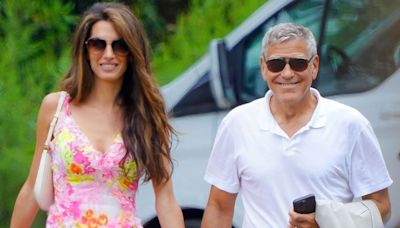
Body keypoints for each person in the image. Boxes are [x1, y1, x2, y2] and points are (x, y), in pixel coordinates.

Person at [201, 22, 392, 228]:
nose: (287, 73)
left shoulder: (351, 124)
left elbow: (382, 207)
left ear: (314, 66)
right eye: (276, 64)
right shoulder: (236, 123)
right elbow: (219, 207)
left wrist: (327, 221)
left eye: (298, 63)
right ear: (264, 67)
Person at [10, 2, 184, 227]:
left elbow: (166, 200)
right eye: (98, 44)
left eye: (119, 45)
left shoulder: (146, 114)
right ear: (85, 50)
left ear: (131, 52)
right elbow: (32, 188)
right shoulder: (56, 108)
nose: (109, 54)